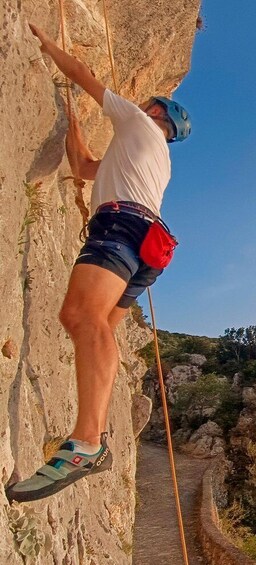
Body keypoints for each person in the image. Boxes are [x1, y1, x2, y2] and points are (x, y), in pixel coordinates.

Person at [6, 23, 192, 503]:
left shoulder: (136, 123)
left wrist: (50, 49)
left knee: (81, 317)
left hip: (120, 229)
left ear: (154, 112)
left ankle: (88, 442)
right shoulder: (153, 157)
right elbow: (86, 168)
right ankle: (93, 440)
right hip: (145, 243)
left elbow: (86, 73)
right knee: (99, 328)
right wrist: (74, 124)